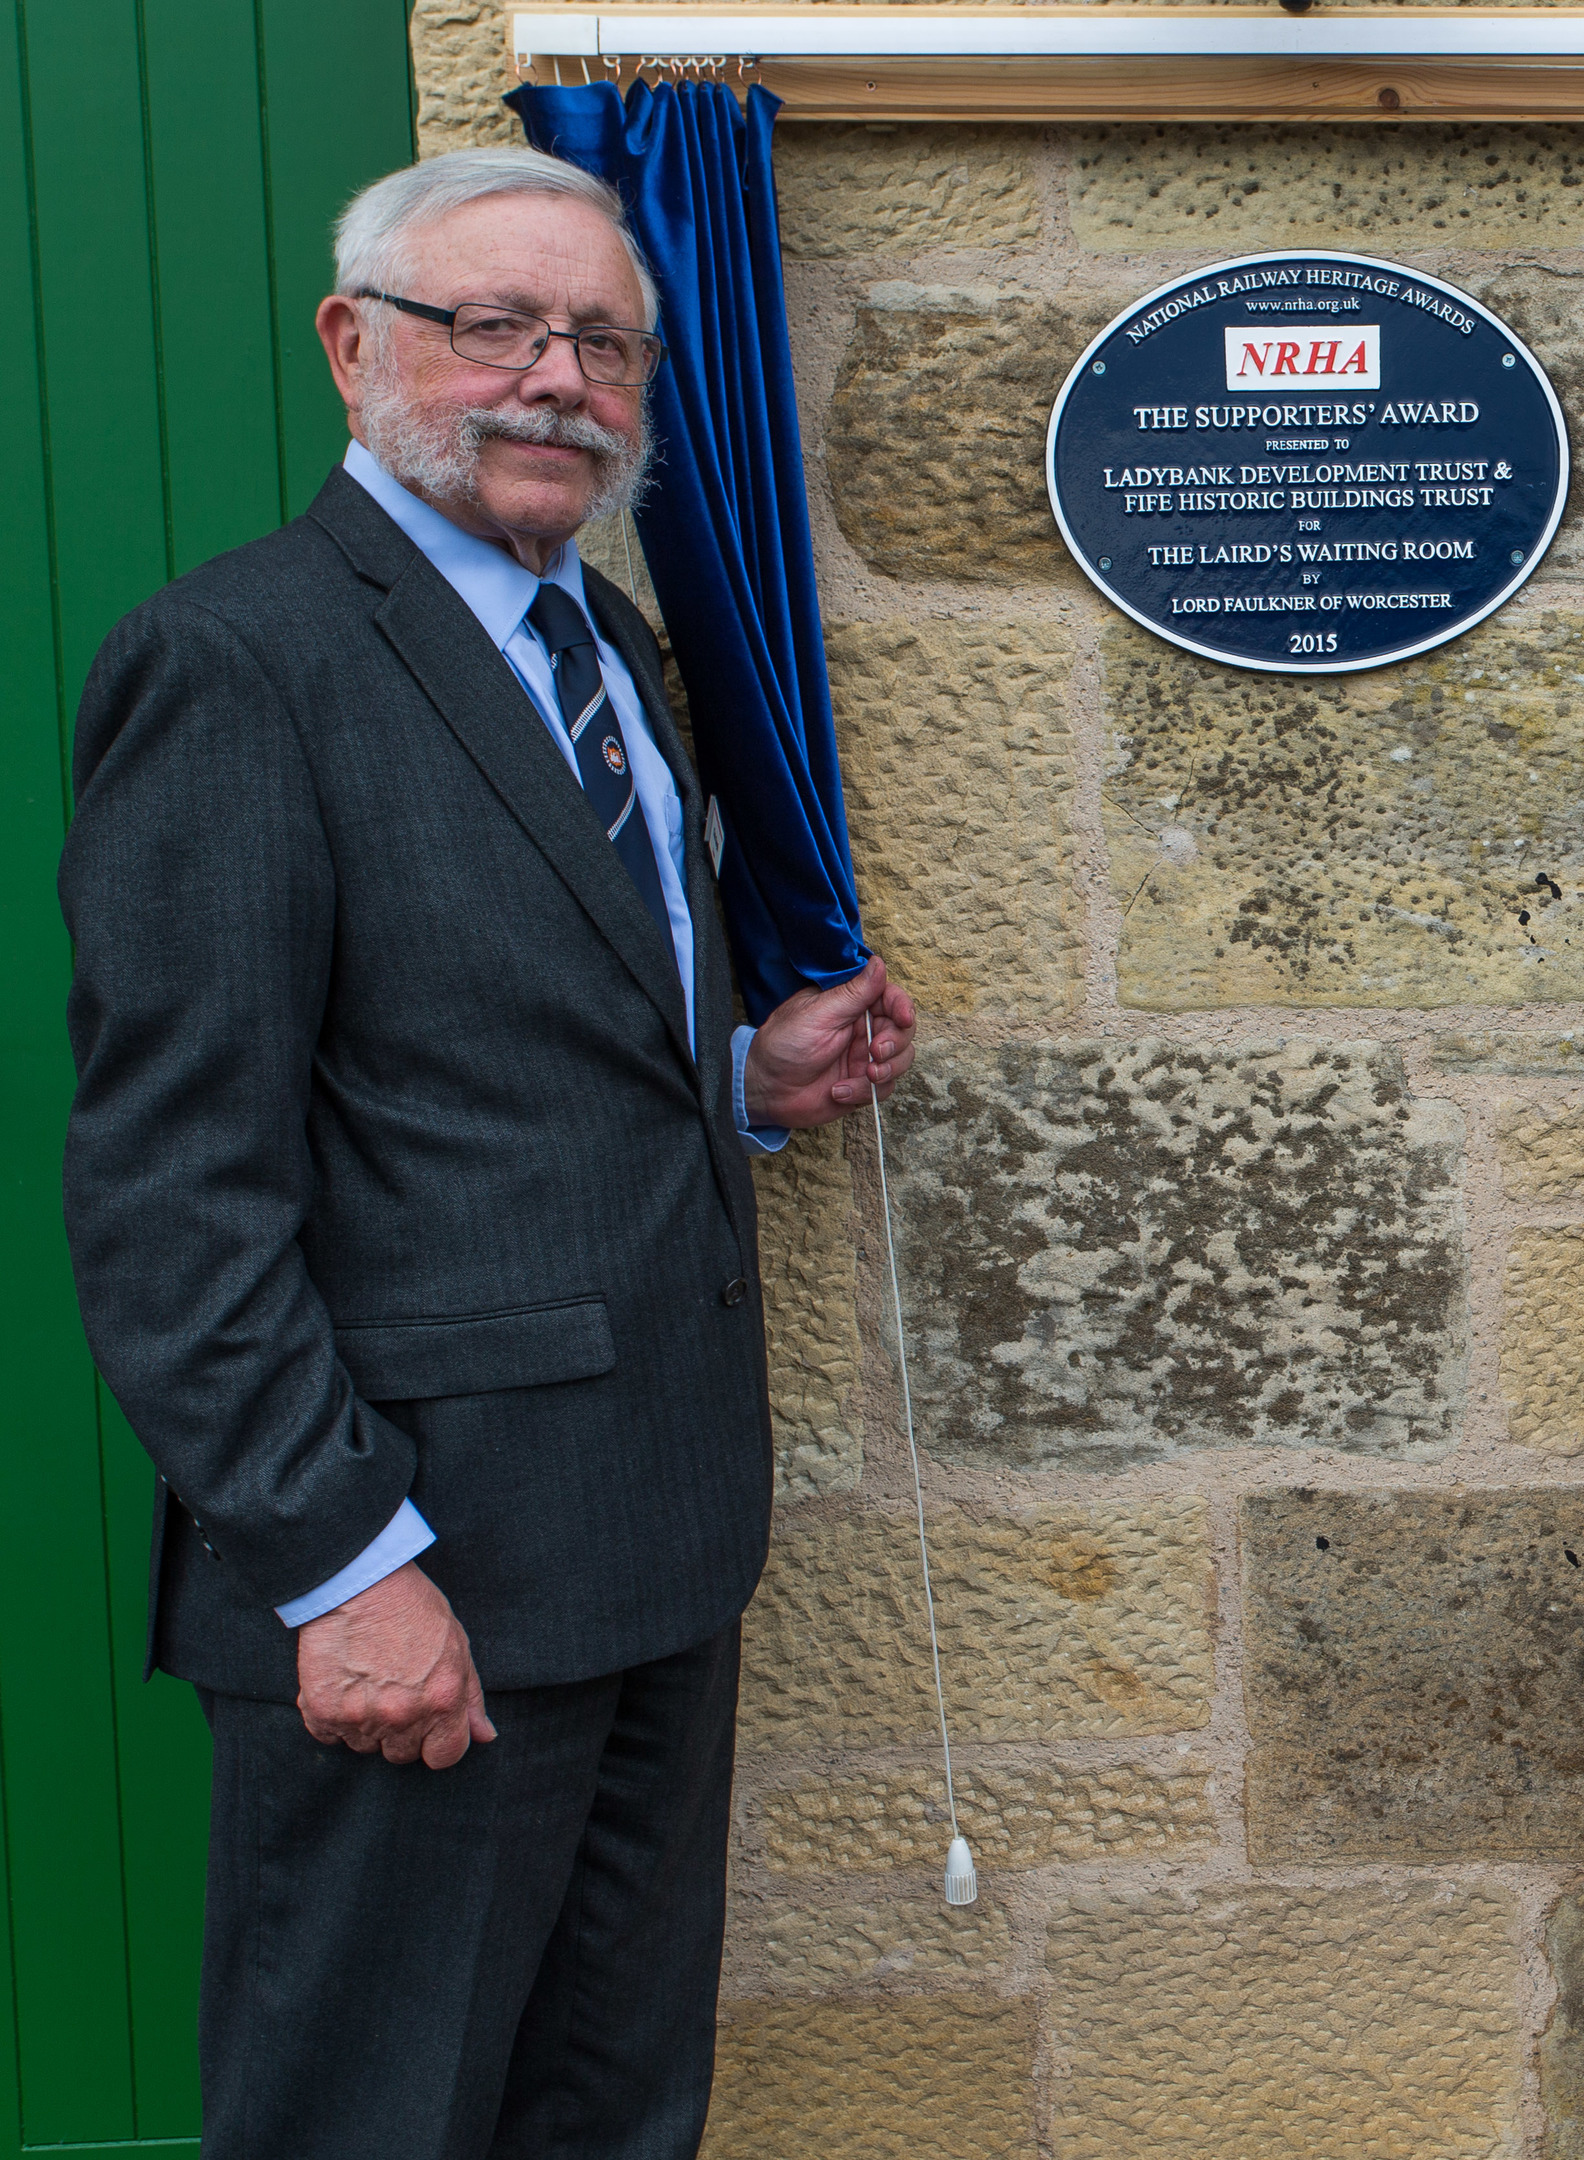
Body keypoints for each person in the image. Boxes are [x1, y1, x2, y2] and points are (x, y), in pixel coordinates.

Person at [60, 147, 917, 2159]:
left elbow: (481, 1069)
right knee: (379, 2117)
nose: (557, 379)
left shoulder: (602, 644)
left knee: (607, 2114)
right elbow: (178, 1187)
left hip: (651, 1549)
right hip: (415, 1579)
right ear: (358, 346)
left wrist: (740, 1079)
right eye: (496, 328)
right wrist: (343, 1566)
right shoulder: (240, 664)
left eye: (602, 340)